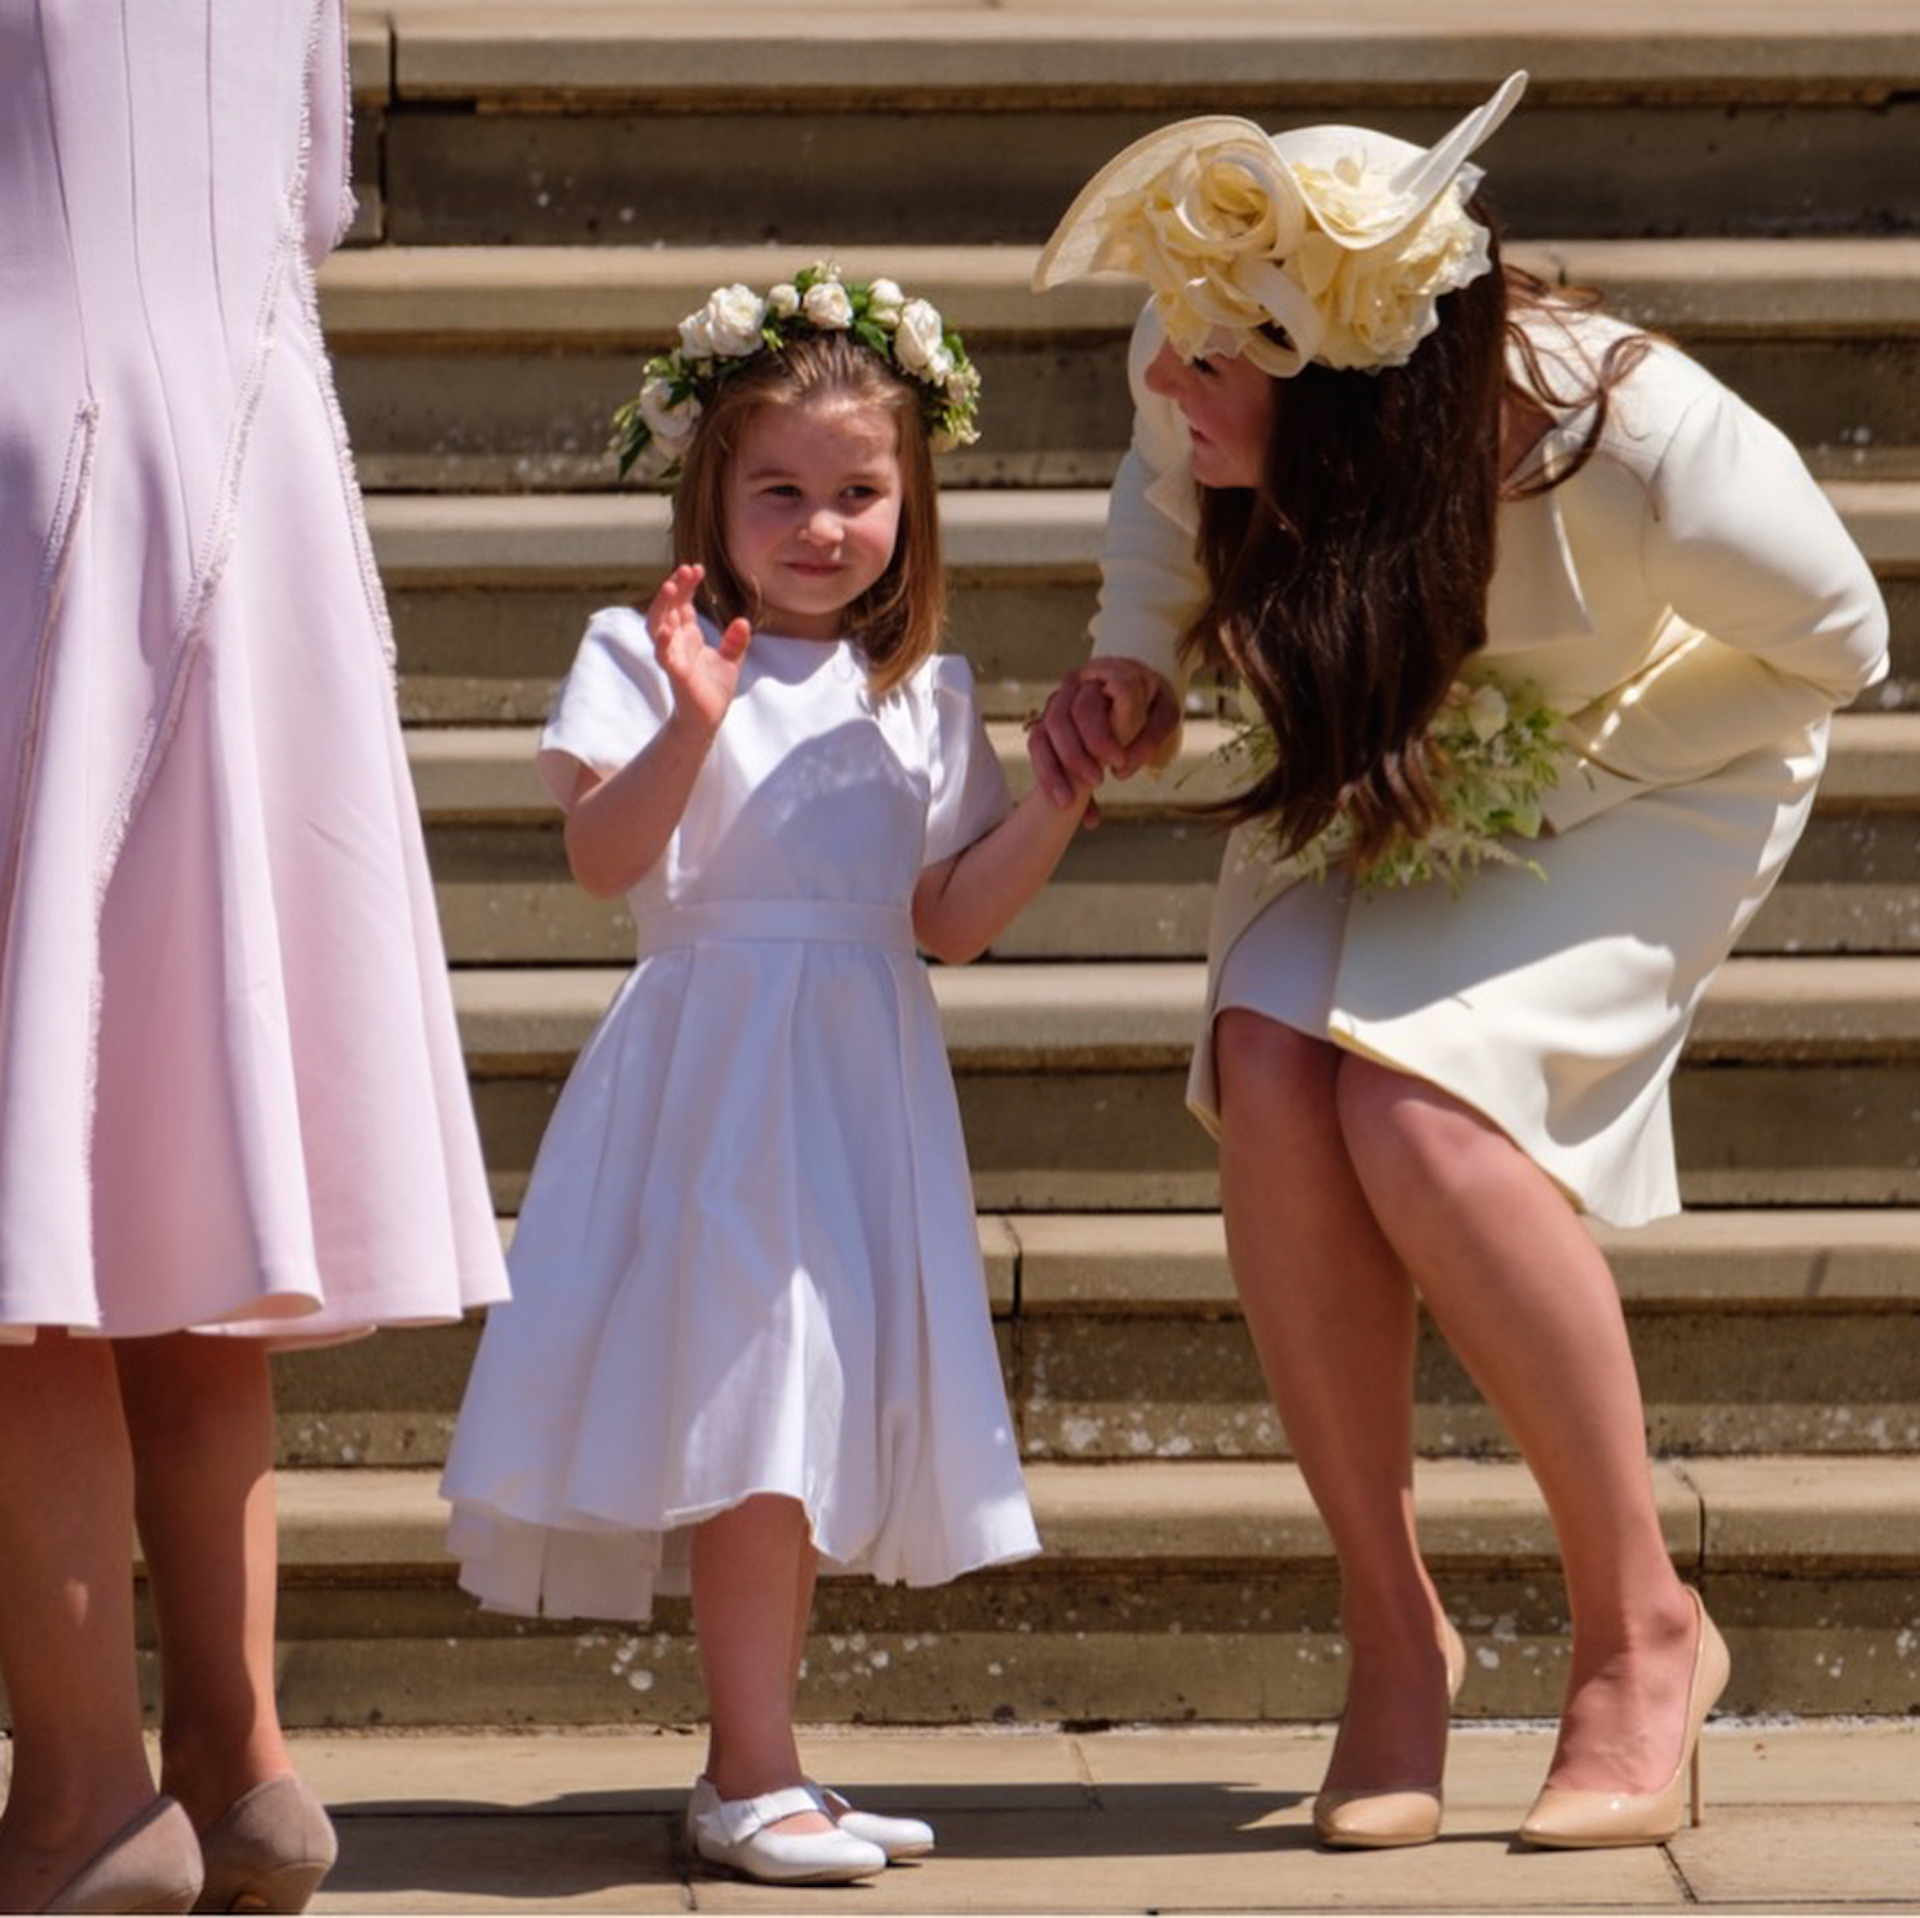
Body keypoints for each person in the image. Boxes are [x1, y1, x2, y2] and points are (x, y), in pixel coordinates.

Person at [1026, 74, 1889, 1851]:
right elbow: (1154, 493)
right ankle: (1391, 1632)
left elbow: (1838, 639)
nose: (1171, 392)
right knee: (1272, 1069)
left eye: (1213, 373)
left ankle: (1642, 1625)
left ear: (1357, 390)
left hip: (1652, 766)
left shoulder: (1643, 437)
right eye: (1173, 356)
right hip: (1366, 712)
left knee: (1420, 1115)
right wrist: (1135, 660)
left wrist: (1539, 778)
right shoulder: (1214, 351)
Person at [439, 264, 1095, 1888]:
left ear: (912, 501)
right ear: (711, 490)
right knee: (762, 1402)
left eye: (860, 492)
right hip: (719, 1080)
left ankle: (766, 1758)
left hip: (859, 1083)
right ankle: (748, 1772)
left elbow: (945, 920)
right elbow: (604, 862)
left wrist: (1063, 800)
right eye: (782, 489)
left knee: (804, 1416)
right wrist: (689, 718)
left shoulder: (924, 689)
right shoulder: (645, 650)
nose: (822, 524)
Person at [0, 3, 510, 1911]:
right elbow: (310, 198)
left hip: (30, 430)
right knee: (183, 1150)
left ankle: (74, 1787)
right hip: (253, 453)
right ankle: (241, 1760)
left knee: (30, 1188)